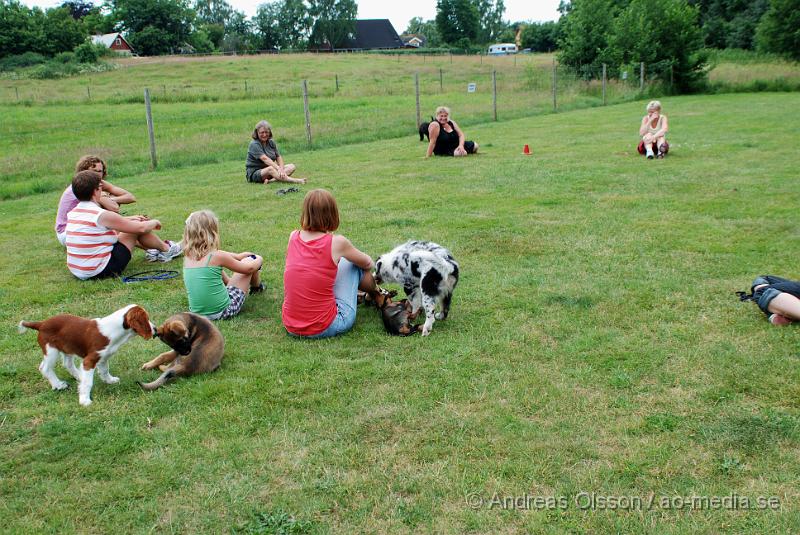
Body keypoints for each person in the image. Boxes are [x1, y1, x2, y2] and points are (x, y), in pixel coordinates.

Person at [282, 189, 382, 338]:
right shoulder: (337, 242)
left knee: (333, 265)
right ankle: (376, 293)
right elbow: (368, 264)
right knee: (354, 265)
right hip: (325, 326)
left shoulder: (293, 237)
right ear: (332, 213)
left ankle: (370, 294)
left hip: (291, 325)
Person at [65, 170, 182, 280]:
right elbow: (141, 228)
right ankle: (167, 250)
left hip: (78, 270)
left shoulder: (73, 213)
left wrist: (130, 219)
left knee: (132, 224)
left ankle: (155, 251)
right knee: (136, 226)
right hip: (100, 270)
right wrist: (155, 222)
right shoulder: (101, 214)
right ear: (96, 190)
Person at [182, 210, 264, 320]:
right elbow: (249, 269)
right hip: (223, 311)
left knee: (217, 271)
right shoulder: (216, 257)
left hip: (198, 314)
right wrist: (258, 259)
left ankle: (251, 286)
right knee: (249, 261)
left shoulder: (188, 257)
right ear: (213, 232)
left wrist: (239, 256)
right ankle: (257, 287)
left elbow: (222, 260)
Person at [55, 155, 136, 246]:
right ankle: (149, 246)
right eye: (93, 171)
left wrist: (111, 198)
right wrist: (127, 219)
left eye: (100, 171)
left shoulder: (98, 184)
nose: (97, 175)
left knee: (128, 227)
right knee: (129, 229)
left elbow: (131, 197)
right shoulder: (85, 187)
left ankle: (148, 246)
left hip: (81, 227)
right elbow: (114, 208)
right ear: (84, 171)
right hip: (67, 233)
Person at [245, 120, 307, 185]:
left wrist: (281, 169)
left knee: (291, 166)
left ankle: (271, 181)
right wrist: (278, 168)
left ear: (269, 132)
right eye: (262, 132)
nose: (264, 134)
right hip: (256, 173)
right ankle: (297, 181)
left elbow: (278, 157)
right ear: (257, 132)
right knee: (270, 169)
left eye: (266, 132)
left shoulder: (271, 142)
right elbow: (265, 159)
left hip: (271, 171)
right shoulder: (254, 144)